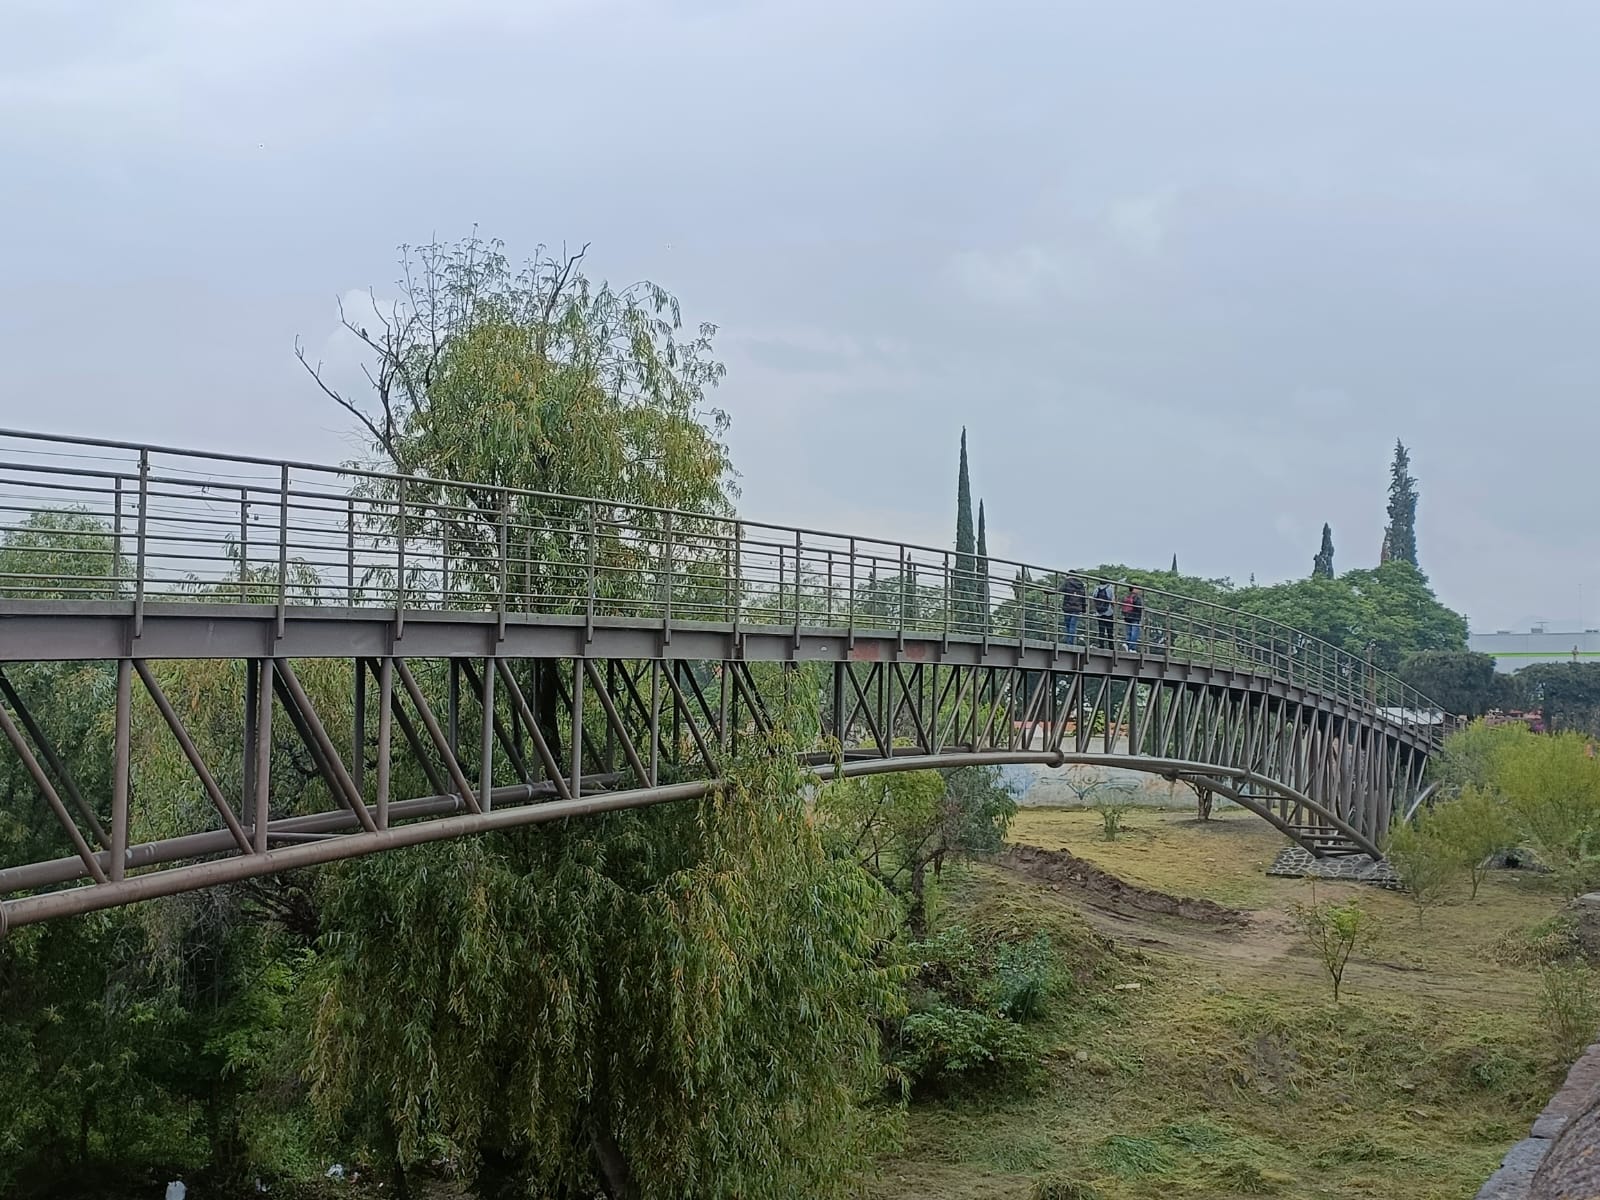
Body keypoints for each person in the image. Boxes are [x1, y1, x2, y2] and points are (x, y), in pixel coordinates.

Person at [1061, 575, 1086, 643]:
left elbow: (1059, 589)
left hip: (1067, 607)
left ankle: (1069, 642)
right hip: (1077, 608)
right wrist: (1084, 609)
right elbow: (1083, 598)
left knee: (1068, 625)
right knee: (1073, 625)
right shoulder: (1081, 585)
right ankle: (1070, 643)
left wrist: (1047, 591)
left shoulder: (1067, 582)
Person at [1092, 580, 1115, 648]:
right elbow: (1112, 600)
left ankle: (1101, 644)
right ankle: (1111, 646)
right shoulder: (1109, 589)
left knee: (1101, 630)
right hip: (1108, 612)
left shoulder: (1097, 589)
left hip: (1099, 613)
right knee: (1110, 630)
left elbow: (1094, 598)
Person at [1122, 583, 1144, 650]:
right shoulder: (1136, 597)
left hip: (1127, 616)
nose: (1139, 590)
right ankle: (1132, 648)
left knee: (1128, 632)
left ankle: (1127, 644)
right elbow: (1139, 607)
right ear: (1134, 589)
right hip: (1135, 616)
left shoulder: (1127, 596)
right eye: (1138, 588)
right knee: (1135, 633)